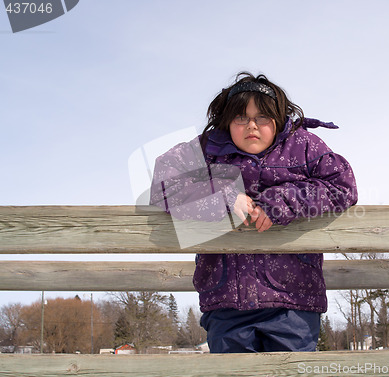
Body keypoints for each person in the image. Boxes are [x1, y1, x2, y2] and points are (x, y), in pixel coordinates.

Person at [150, 72, 357, 353]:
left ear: (278, 118)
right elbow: (163, 184)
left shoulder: (303, 146)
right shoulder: (207, 150)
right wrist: (222, 199)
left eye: (262, 117)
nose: (251, 126)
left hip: (293, 301)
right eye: (240, 117)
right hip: (226, 300)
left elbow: (342, 186)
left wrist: (282, 201)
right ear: (226, 120)